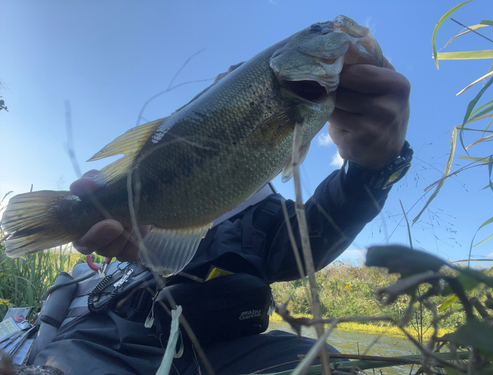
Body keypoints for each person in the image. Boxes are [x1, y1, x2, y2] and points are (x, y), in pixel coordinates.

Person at [29, 59, 411, 374]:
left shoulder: (267, 212)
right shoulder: (166, 160)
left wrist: (370, 168)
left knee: (329, 368)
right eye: (226, 84)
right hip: (110, 336)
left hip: (230, 349)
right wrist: (102, 214)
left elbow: (309, 239)